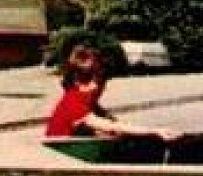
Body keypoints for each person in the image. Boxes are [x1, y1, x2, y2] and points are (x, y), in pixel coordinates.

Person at [45, 45, 181, 141]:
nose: (103, 87)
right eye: (100, 80)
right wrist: (155, 131)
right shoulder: (73, 103)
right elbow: (113, 126)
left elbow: (113, 125)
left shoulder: (89, 103)